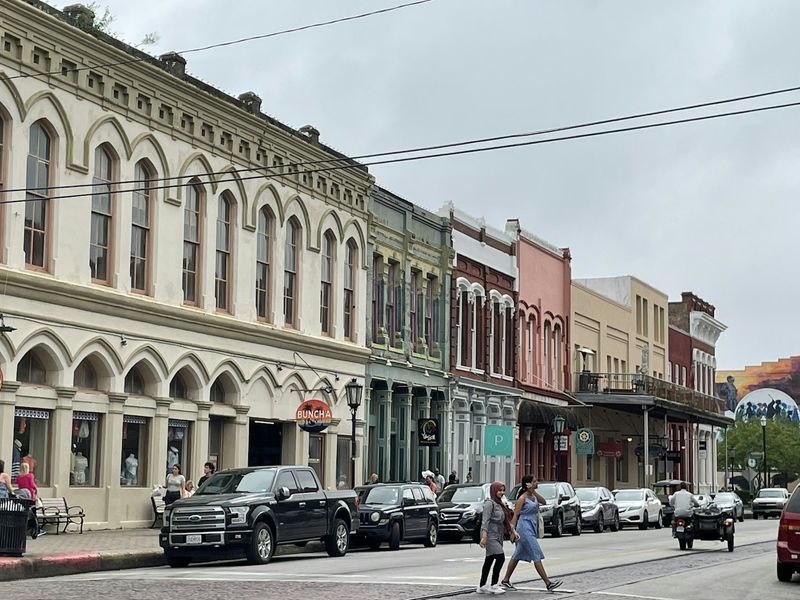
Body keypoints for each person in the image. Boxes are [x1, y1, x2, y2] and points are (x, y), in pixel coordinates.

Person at [501, 475, 562, 592]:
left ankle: (505, 580)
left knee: (518, 554)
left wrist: (533, 491)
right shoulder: (522, 498)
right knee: (536, 554)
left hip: (532, 526)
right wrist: (512, 532)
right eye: (534, 482)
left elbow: (543, 501)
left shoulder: (534, 496)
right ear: (527, 484)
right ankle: (548, 583)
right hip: (524, 528)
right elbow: (515, 515)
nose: (537, 483)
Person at [477, 481, 518, 594]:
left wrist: (513, 531)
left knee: (489, 559)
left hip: (498, 535)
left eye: (503, 490)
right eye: (499, 490)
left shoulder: (500, 504)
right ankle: (494, 585)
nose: (502, 492)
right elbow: (485, 521)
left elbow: (506, 521)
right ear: (494, 490)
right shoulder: (489, 504)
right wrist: (484, 536)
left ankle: (482, 585)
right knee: (500, 557)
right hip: (490, 535)